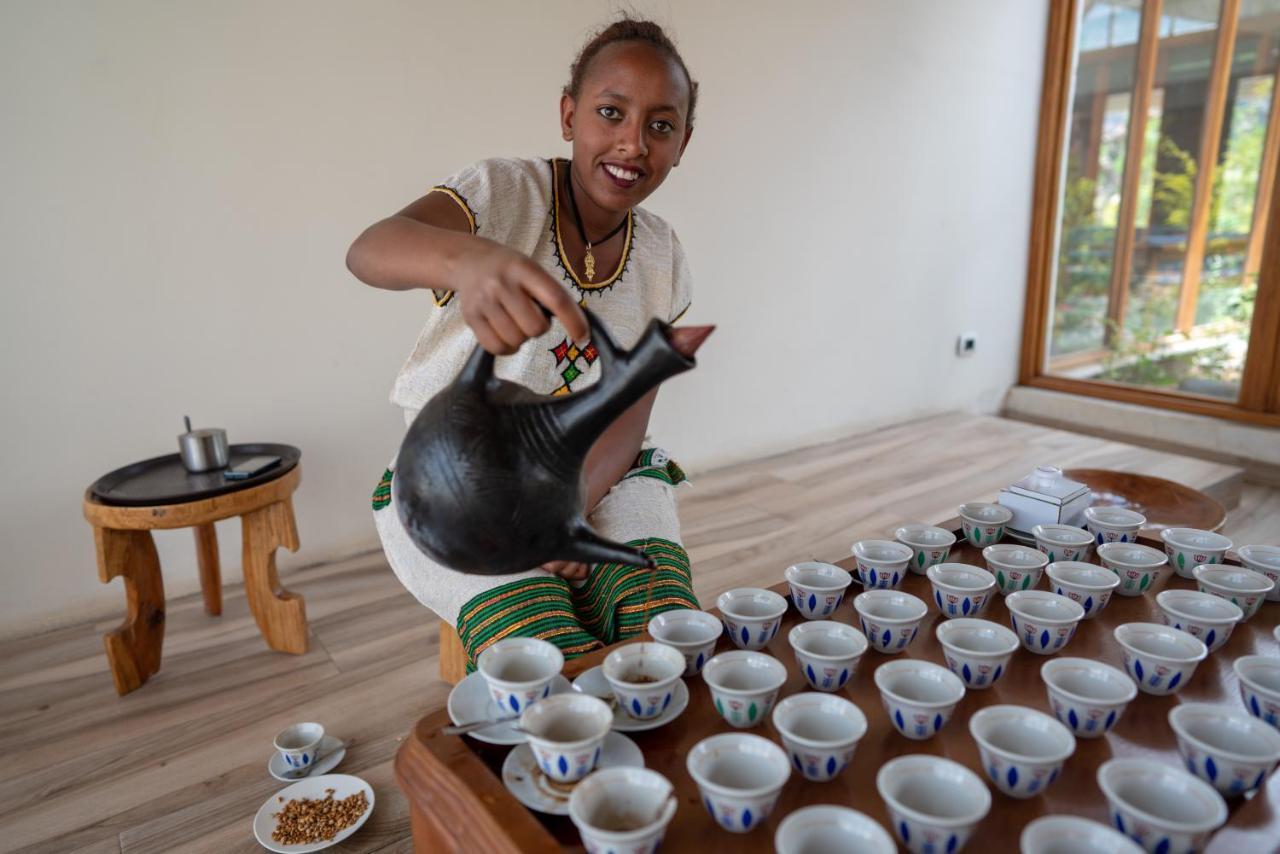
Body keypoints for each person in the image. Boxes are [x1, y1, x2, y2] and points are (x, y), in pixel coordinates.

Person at [346, 17, 702, 670]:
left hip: (597, 474)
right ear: (569, 115)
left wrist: (570, 512)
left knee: (664, 624)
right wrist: (465, 263)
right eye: (610, 112)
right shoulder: (505, 194)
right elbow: (368, 250)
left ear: (683, 141)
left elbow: (627, 421)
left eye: (660, 124)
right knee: (541, 643)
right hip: (453, 489)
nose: (632, 143)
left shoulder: (663, 257)